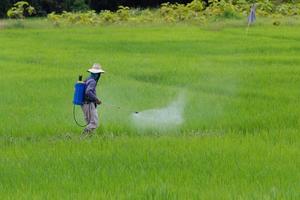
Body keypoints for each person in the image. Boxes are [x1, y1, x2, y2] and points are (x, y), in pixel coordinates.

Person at [81, 63, 105, 137]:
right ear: (97, 74)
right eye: (99, 74)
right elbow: (88, 92)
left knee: (89, 122)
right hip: (89, 104)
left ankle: (88, 139)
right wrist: (96, 100)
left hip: (84, 104)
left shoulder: (87, 79)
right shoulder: (93, 81)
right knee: (94, 123)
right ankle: (83, 135)